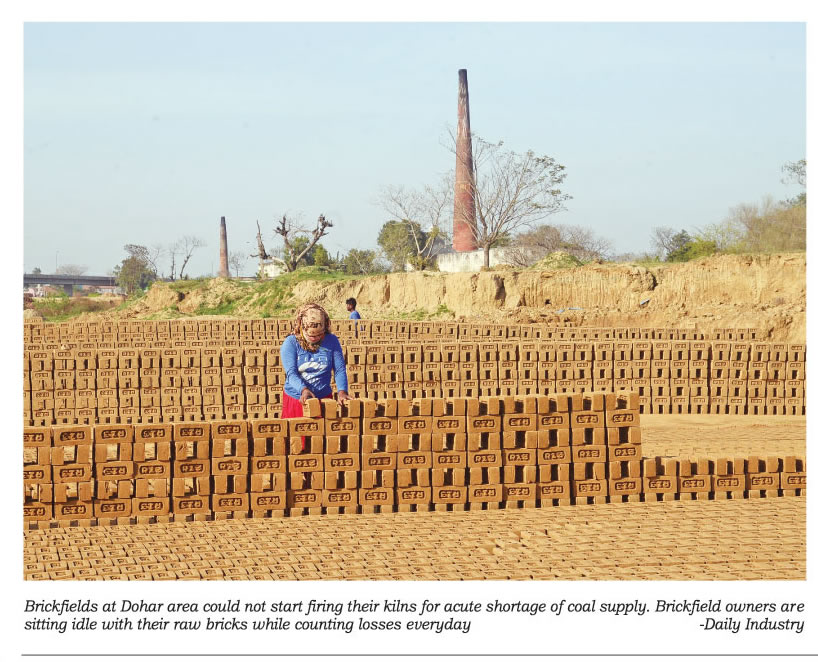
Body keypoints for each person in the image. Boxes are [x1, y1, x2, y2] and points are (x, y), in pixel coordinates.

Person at [280, 303, 351, 421]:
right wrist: (303, 390)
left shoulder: (331, 341)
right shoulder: (291, 343)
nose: (315, 338)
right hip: (297, 399)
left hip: (323, 399)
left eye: (319, 335)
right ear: (301, 327)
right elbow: (291, 373)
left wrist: (342, 391)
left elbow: (339, 369)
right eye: (310, 336)